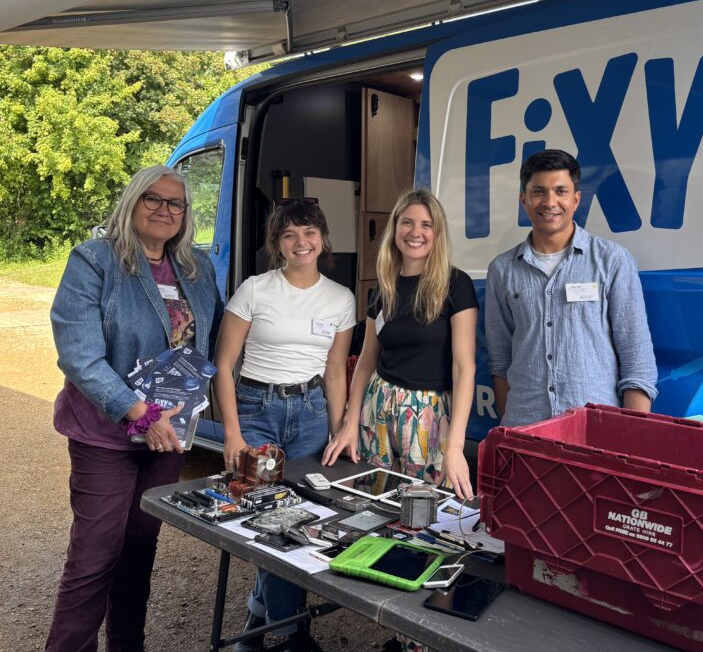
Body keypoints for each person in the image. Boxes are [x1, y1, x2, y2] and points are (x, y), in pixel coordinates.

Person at [47, 165, 223, 652]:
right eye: (153, 199)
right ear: (132, 202)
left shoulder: (197, 268)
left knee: (139, 551)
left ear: (186, 216)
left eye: (176, 204)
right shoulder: (95, 261)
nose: (165, 210)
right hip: (106, 437)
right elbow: (79, 354)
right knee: (93, 559)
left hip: (167, 438)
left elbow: (217, 340)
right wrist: (140, 413)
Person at [213, 199, 355, 652]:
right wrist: (232, 433)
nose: (302, 242)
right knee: (268, 520)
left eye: (310, 232)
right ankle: (293, 634)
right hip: (258, 411)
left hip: (312, 413)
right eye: (290, 234)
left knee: (305, 518)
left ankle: (256, 619)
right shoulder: (255, 289)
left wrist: (339, 430)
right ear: (277, 243)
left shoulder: (340, 298)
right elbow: (223, 365)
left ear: (323, 239)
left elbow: (335, 371)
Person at [323, 189, 477, 502]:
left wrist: (457, 447)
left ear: (438, 233)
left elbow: (464, 368)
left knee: (425, 510)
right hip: (377, 408)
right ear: (394, 229)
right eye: (407, 223)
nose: (415, 233)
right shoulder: (383, 289)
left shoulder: (456, 285)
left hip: (430, 418)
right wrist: (350, 423)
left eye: (426, 225)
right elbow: (366, 362)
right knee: (369, 503)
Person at [486, 149, 657, 427]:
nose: (550, 202)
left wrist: (630, 438)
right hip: (524, 429)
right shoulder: (502, 270)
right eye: (539, 191)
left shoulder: (612, 261)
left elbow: (637, 360)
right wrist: (512, 426)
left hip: (594, 434)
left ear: (576, 199)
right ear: (524, 200)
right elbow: (500, 361)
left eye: (560, 191)